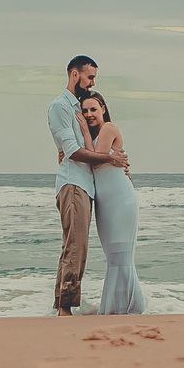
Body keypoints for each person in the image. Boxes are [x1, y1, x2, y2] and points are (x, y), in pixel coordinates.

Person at [47, 56, 129, 316]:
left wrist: (114, 161)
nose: (92, 82)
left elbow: (85, 147)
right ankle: (64, 309)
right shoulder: (60, 106)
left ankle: (63, 304)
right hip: (73, 184)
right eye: (90, 77)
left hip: (86, 186)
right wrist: (110, 158)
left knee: (75, 244)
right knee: (76, 246)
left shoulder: (80, 107)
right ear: (75, 75)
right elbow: (72, 151)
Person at [77, 91, 146, 315]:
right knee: (113, 257)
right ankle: (120, 306)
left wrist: (85, 132)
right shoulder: (96, 134)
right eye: (85, 111)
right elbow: (89, 157)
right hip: (104, 204)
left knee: (121, 256)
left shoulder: (108, 128)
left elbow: (95, 161)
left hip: (121, 200)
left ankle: (130, 308)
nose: (89, 114)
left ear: (103, 109)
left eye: (93, 109)